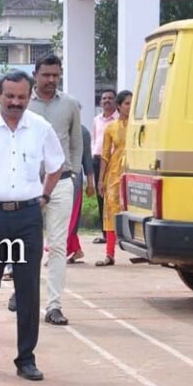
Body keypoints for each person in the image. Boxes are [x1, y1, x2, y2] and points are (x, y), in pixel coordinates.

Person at [0, 70, 65, 381]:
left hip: (27, 217)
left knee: (28, 289)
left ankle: (26, 358)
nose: (15, 102)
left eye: (21, 97)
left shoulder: (41, 128)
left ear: (29, 97)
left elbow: (56, 165)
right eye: (10, 96)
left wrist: (44, 197)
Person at [20, 54, 83, 326]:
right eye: (46, 75)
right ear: (35, 74)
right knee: (26, 244)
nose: (51, 80)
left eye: (56, 75)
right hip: (28, 185)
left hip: (62, 182)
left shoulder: (69, 104)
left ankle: (54, 305)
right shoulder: (22, 102)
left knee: (57, 245)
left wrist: (74, 173)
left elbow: (77, 142)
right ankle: (22, 293)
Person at [96, 91, 132, 267]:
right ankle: (109, 254)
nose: (130, 107)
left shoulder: (139, 125)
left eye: (132, 103)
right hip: (115, 172)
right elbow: (105, 155)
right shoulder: (110, 128)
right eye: (127, 103)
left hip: (135, 170)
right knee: (111, 210)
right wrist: (101, 179)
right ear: (119, 106)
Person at [66, 118, 96, 264]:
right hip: (55, 179)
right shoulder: (56, 128)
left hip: (73, 179)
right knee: (59, 216)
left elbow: (87, 161)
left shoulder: (83, 132)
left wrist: (90, 184)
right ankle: (76, 250)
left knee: (68, 217)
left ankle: (58, 252)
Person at [91, 89, 119, 245]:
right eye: (104, 98)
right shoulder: (97, 120)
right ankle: (105, 234)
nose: (106, 100)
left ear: (115, 101)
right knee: (101, 196)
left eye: (110, 98)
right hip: (97, 160)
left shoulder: (119, 120)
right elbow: (95, 140)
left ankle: (116, 233)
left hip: (113, 162)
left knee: (114, 197)